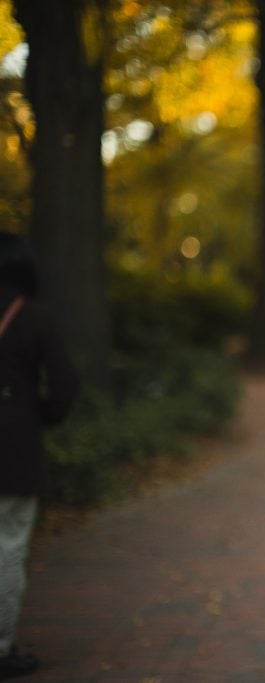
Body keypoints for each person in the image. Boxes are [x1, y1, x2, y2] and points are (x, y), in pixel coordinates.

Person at [0, 232, 79, 680]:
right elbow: (65, 384)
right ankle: (2, 646)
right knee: (7, 546)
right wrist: (39, 416)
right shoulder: (32, 317)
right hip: (13, 452)